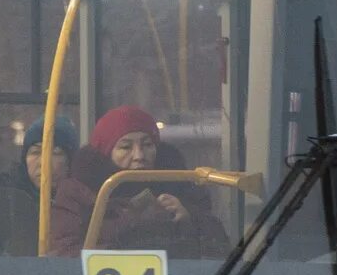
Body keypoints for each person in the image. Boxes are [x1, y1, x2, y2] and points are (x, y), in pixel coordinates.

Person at [47, 105, 228, 257]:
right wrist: (128, 233)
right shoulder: (79, 192)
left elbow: (219, 248)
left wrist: (189, 218)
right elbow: (65, 254)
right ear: (106, 152)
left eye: (147, 145)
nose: (139, 156)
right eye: (125, 147)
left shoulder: (181, 183)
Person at [0, 115, 78, 256]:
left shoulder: (86, 204)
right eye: (35, 152)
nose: (43, 163)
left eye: (56, 153)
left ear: (71, 160)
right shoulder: (7, 201)